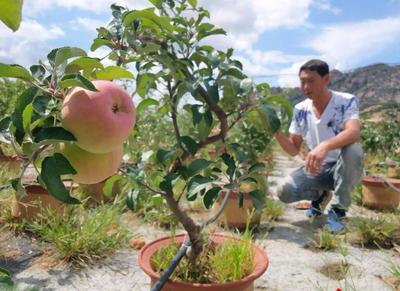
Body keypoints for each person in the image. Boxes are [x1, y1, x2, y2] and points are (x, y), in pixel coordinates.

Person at [275, 59, 364, 232]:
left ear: (326, 79)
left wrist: (324, 146)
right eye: (302, 82)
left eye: (311, 81)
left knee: (353, 149)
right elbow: (293, 149)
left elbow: (353, 132)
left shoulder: (345, 101)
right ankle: (321, 195)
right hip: (318, 169)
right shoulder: (300, 109)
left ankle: (338, 209)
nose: (306, 87)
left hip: (345, 168)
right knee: (284, 191)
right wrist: (275, 130)